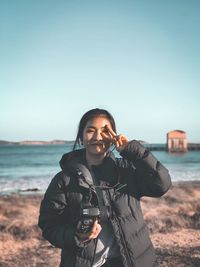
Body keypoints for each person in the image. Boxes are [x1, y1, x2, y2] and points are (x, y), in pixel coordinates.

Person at [38, 108, 171, 267]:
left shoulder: (127, 171)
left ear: (113, 136)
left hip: (133, 261)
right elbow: (49, 225)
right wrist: (77, 236)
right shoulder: (64, 180)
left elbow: (161, 184)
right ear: (81, 137)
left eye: (105, 131)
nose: (97, 137)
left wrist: (131, 150)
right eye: (90, 131)